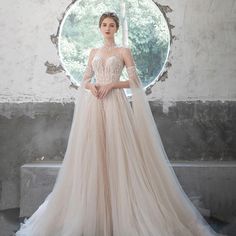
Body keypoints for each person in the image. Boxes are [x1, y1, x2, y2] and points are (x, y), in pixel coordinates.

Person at [15, 12, 225, 236]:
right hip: (95, 107)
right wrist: (92, 86)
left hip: (116, 106)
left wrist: (113, 84)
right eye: (104, 25)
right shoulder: (93, 52)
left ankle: (122, 211)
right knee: (94, 155)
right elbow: (85, 79)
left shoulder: (124, 51)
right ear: (99, 28)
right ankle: (94, 212)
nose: (107, 28)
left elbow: (135, 81)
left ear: (116, 28)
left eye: (111, 25)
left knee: (118, 153)